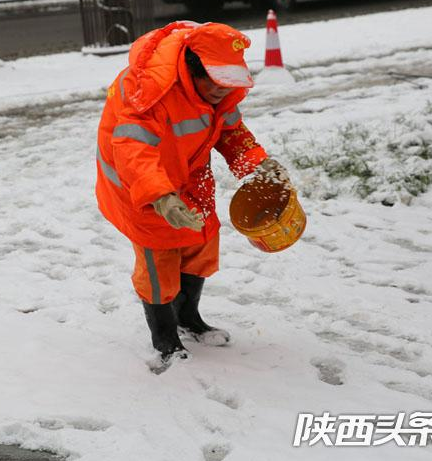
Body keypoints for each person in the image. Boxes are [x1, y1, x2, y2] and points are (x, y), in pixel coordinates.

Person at [95, 21, 289, 362]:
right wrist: (160, 196)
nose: (222, 90)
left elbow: (230, 130)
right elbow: (132, 150)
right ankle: (165, 338)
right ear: (190, 68)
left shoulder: (218, 93)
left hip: (188, 174)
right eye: (215, 81)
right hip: (139, 185)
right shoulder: (148, 90)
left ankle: (188, 317)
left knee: (200, 242)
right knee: (160, 259)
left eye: (229, 81)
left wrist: (256, 162)